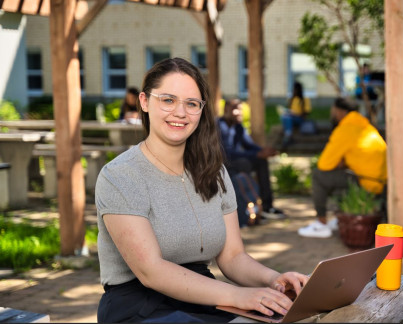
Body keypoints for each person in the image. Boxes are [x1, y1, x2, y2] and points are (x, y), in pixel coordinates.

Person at [95, 58, 308, 323]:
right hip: (138, 306)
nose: (180, 113)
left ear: (201, 110)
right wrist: (240, 296)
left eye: (191, 103)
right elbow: (152, 272)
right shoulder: (120, 176)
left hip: (203, 297)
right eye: (168, 100)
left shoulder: (213, 171)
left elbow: (232, 257)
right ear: (145, 102)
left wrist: (274, 279)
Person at [298, 97, 387, 238]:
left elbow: (323, 165)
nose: (331, 114)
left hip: (367, 183)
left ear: (340, 111)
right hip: (379, 182)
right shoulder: (365, 126)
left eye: (333, 110)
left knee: (318, 175)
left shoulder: (345, 129)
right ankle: (340, 219)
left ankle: (321, 224)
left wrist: (340, 162)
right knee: (339, 176)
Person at [217, 98, 286, 221]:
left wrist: (263, 151)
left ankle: (266, 206)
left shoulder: (238, 126)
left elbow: (250, 145)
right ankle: (249, 206)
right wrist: (256, 155)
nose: (239, 113)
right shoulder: (218, 126)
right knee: (246, 163)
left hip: (236, 160)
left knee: (260, 161)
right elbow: (226, 153)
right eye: (234, 109)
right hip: (221, 164)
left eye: (240, 110)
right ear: (225, 110)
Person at [280, 81, 312, 147]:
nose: (294, 91)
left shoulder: (305, 99)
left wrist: (296, 114)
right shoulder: (292, 99)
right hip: (291, 118)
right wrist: (288, 112)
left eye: (295, 89)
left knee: (287, 118)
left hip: (300, 118)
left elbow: (307, 112)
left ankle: (288, 136)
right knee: (284, 116)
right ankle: (288, 135)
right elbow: (289, 109)